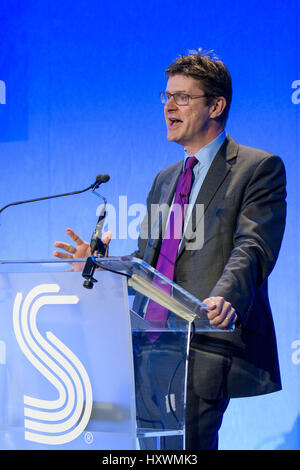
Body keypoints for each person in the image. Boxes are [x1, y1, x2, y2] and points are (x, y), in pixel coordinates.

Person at [53, 50, 287, 450]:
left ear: (216, 105)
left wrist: (225, 297)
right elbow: (149, 263)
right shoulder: (166, 179)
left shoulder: (257, 168)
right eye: (166, 97)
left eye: (182, 97)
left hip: (205, 339)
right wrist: (99, 265)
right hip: (150, 345)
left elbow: (253, 247)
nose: (169, 107)